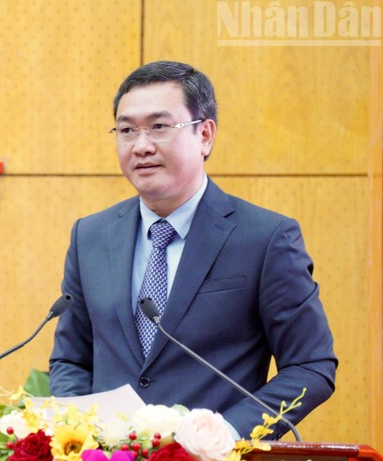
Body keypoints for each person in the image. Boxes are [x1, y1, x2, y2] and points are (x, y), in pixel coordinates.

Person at [48, 61, 337, 438]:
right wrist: (82, 431)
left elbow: (311, 366)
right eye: (127, 130)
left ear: (205, 135)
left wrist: (227, 433)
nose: (141, 146)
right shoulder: (91, 236)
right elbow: (70, 359)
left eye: (159, 127)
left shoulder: (265, 238)